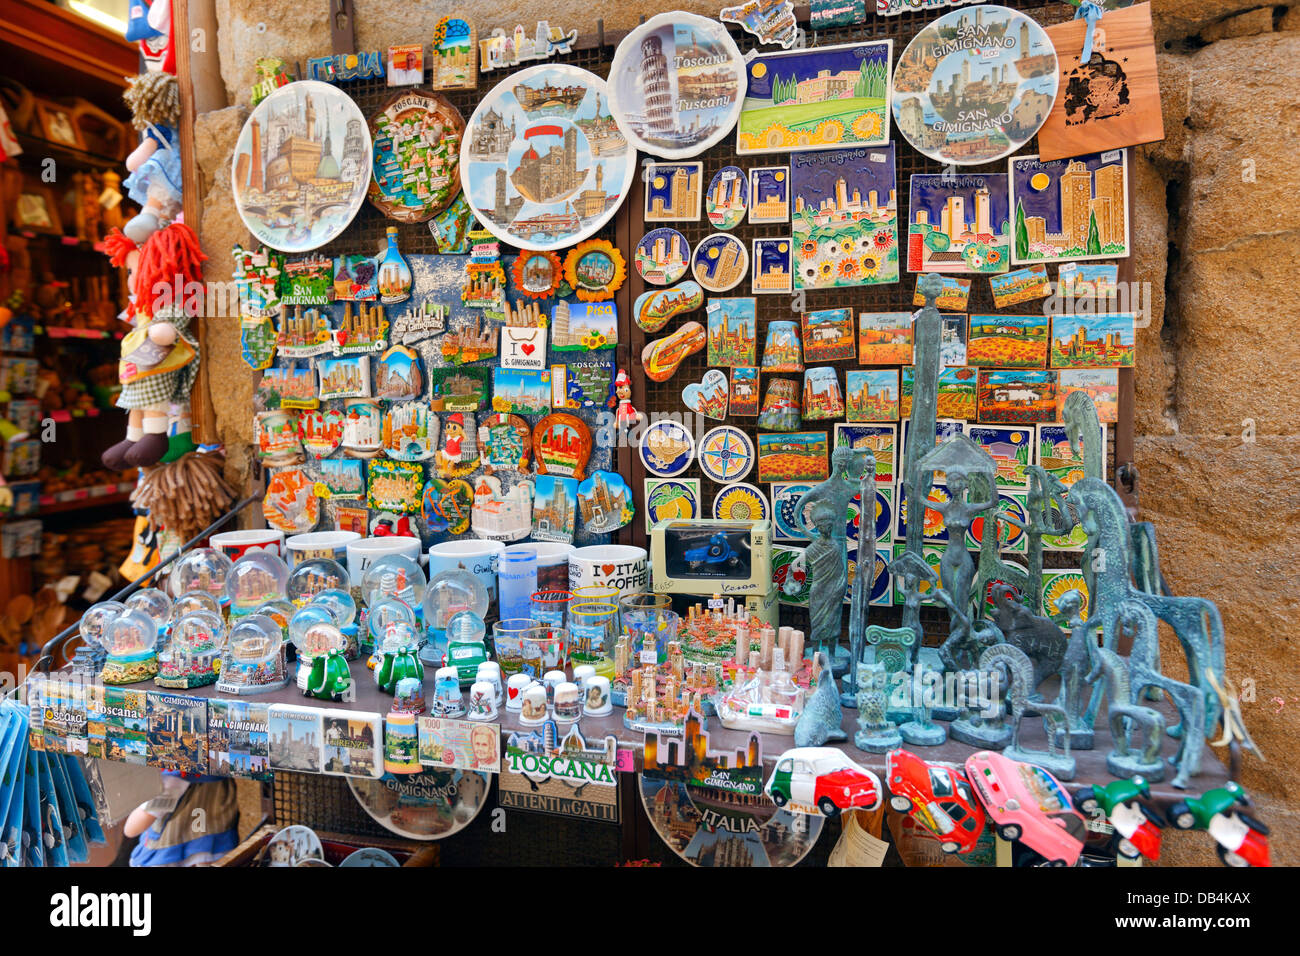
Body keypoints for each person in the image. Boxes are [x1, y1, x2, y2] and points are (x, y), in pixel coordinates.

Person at [125, 771, 239, 867]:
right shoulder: (218, 765)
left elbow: (131, 829)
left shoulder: (171, 779)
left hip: (171, 854)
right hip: (217, 845)